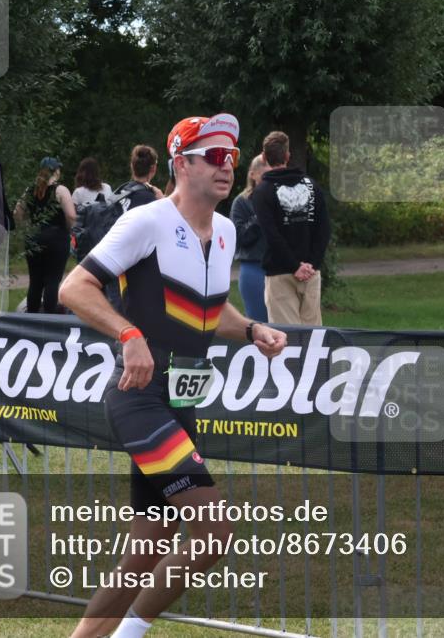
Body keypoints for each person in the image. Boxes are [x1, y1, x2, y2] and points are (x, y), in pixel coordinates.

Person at [59, 113, 287, 638]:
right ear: (181, 164)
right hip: (139, 399)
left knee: (148, 547)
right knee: (213, 529)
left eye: (232, 157)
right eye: (214, 157)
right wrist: (128, 334)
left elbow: (209, 307)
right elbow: (74, 288)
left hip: (181, 403)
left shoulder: (226, 230)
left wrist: (252, 329)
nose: (226, 166)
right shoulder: (148, 221)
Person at [252, 131, 331, 325]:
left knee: (286, 337)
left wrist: (295, 266)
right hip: (310, 272)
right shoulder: (312, 186)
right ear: (287, 155)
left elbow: (272, 235)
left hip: (280, 272)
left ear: (264, 157)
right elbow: (324, 229)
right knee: (313, 336)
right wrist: (311, 264)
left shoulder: (262, 191)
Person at [14, 157, 76, 313]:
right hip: (56, 239)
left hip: (34, 238)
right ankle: (49, 317)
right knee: (52, 280)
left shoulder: (30, 190)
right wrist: (68, 230)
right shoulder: (60, 190)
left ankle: (32, 316)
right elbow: (71, 215)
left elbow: (17, 213)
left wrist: (27, 229)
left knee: (35, 282)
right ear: (56, 172)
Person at [230, 154, 272, 322]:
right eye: (266, 175)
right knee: (259, 323)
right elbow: (240, 238)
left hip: (281, 269)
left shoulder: (282, 199)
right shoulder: (241, 202)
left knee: (285, 326)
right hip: (254, 268)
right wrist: (260, 213)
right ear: (253, 174)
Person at [110, 145, 165, 211]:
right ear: (153, 168)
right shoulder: (151, 199)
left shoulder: (120, 191)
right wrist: (163, 201)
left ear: (132, 166)